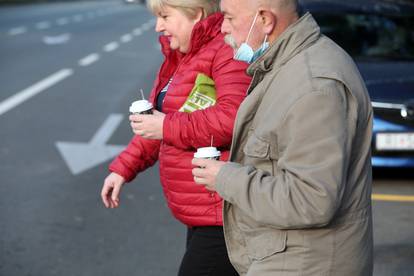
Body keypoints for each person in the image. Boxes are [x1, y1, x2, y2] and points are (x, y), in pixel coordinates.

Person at [192, 0, 374, 275]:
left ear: (265, 20)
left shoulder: (313, 86)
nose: (223, 29)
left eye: (228, 18)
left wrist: (225, 178)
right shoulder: (289, 65)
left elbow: (311, 200)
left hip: (305, 264)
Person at [100, 0, 251, 275]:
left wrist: (166, 126)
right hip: (202, 210)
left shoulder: (226, 50)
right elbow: (160, 123)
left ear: (197, 13)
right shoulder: (186, 54)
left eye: (165, 16)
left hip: (224, 213)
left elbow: (233, 117)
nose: (158, 27)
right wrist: (123, 168)